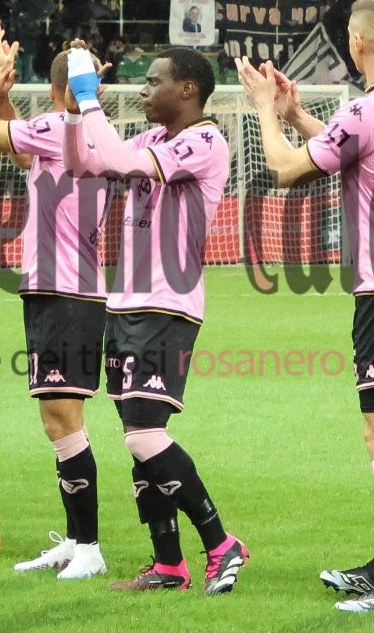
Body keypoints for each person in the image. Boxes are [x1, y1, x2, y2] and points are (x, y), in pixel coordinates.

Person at [239, 0, 374, 614]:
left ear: (356, 44)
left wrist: (266, 112)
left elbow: (284, 169)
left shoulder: (368, 109)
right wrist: (301, 113)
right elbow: (355, 145)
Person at [66, 43, 249, 594]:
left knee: (146, 433)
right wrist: (80, 109)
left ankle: (221, 543)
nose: (143, 92)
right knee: (134, 435)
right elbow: (88, 162)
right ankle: (168, 563)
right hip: (126, 302)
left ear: (187, 89)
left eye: (152, 82)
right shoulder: (154, 139)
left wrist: (87, 96)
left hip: (168, 304)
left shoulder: (206, 139)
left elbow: (118, 163)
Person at [0, 26, 112, 582]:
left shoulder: (59, 126)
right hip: (71, 288)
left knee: (62, 420)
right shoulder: (87, 131)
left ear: (54, 93)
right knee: (61, 419)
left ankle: (90, 547)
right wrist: (5, 89)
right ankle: (77, 540)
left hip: (62, 290)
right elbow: (12, 136)